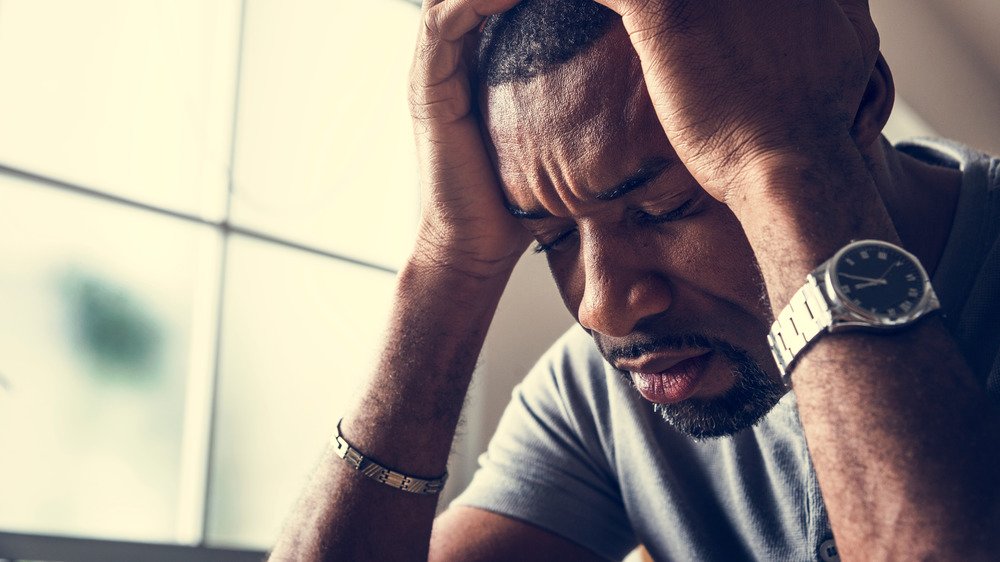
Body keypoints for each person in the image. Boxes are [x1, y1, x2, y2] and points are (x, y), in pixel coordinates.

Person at [270, 0, 1000, 559]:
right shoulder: (600, 397)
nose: (605, 306)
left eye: (666, 208)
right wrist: (447, 263)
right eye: (549, 239)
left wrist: (784, 163)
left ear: (860, 104)